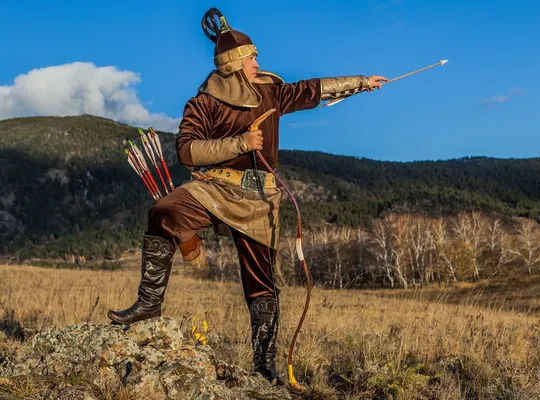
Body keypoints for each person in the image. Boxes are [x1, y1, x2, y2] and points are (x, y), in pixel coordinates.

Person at [107, 7, 388, 386]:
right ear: (235, 63)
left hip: (260, 200)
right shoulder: (203, 103)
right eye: (252, 56)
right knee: (164, 210)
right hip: (216, 187)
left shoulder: (270, 93)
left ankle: (264, 364)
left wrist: (361, 81)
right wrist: (240, 142)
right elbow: (187, 152)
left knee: (262, 282)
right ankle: (148, 304)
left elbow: (313, 89)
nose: (258, 61)